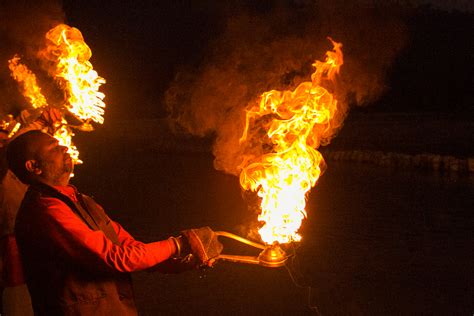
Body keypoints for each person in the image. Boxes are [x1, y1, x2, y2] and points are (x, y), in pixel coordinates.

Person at [6, 130, 222, 315]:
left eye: (60, 144)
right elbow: (114, 258)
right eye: (53, 148)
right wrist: (179, 244)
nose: (64, 147)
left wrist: (183, 259)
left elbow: (131, 248)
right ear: (34, 166)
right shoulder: (46, 211)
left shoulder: (79, 199)